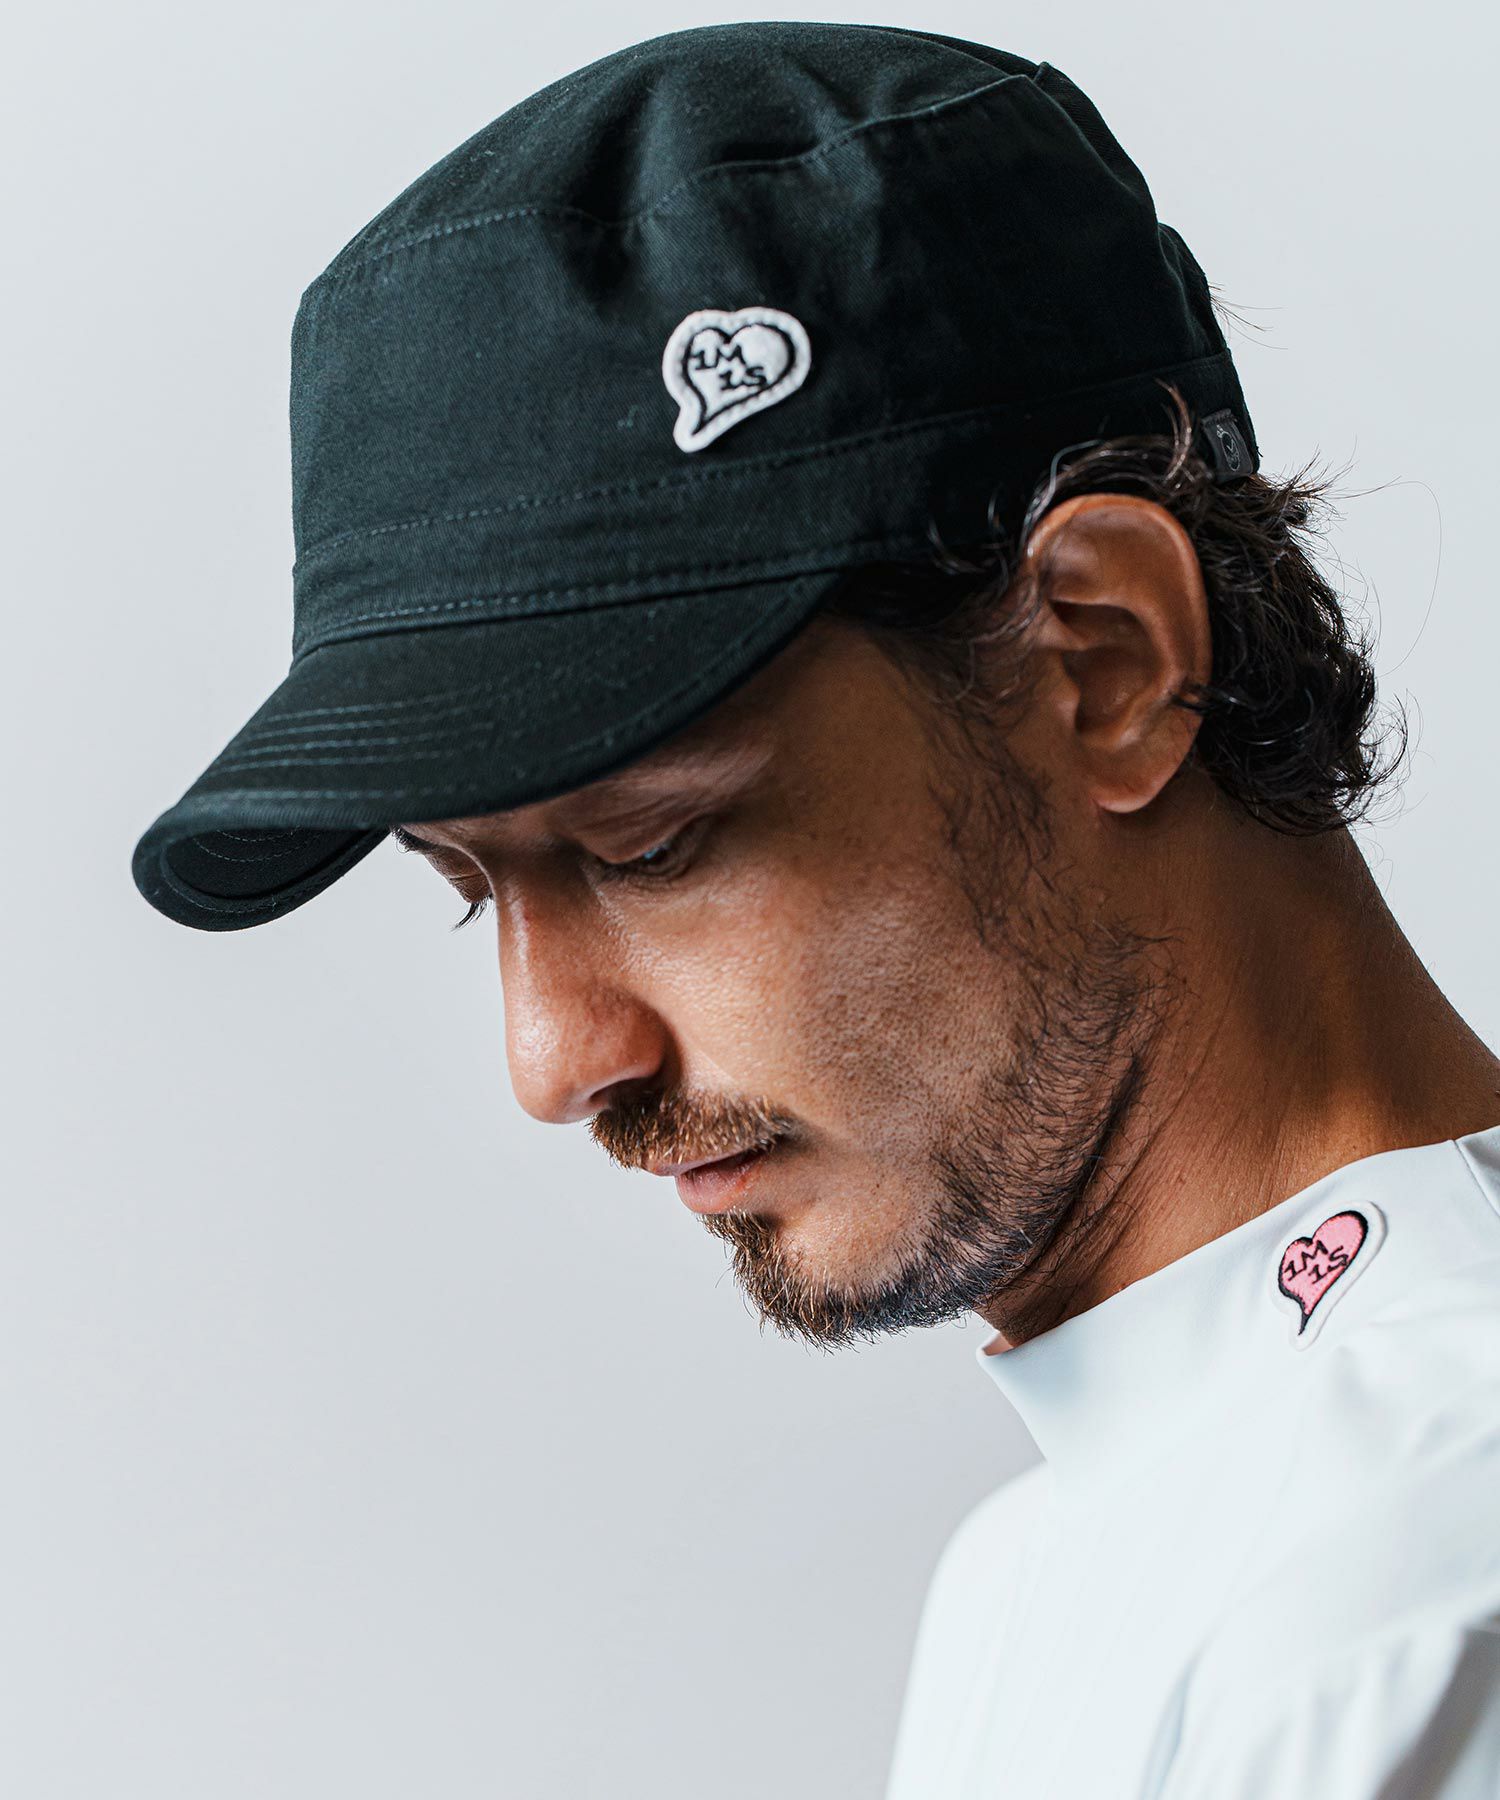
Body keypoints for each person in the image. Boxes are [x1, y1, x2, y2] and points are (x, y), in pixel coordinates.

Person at [131, 22, 1500, 1797]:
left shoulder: (1413, 1582)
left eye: (652, 847)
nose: (553, 1062)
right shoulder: (1044, 1569)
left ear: (1104, 661)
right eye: (474, 888)